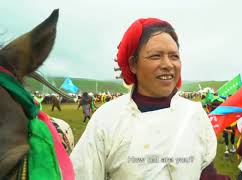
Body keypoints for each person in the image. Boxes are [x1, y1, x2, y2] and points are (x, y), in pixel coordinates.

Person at [71, 18, 229, 180]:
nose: (168, 64)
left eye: (174, 56)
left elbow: (206, 172)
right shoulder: (107, 120)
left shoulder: (194, 113)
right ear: (133, 64)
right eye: (155, 56)